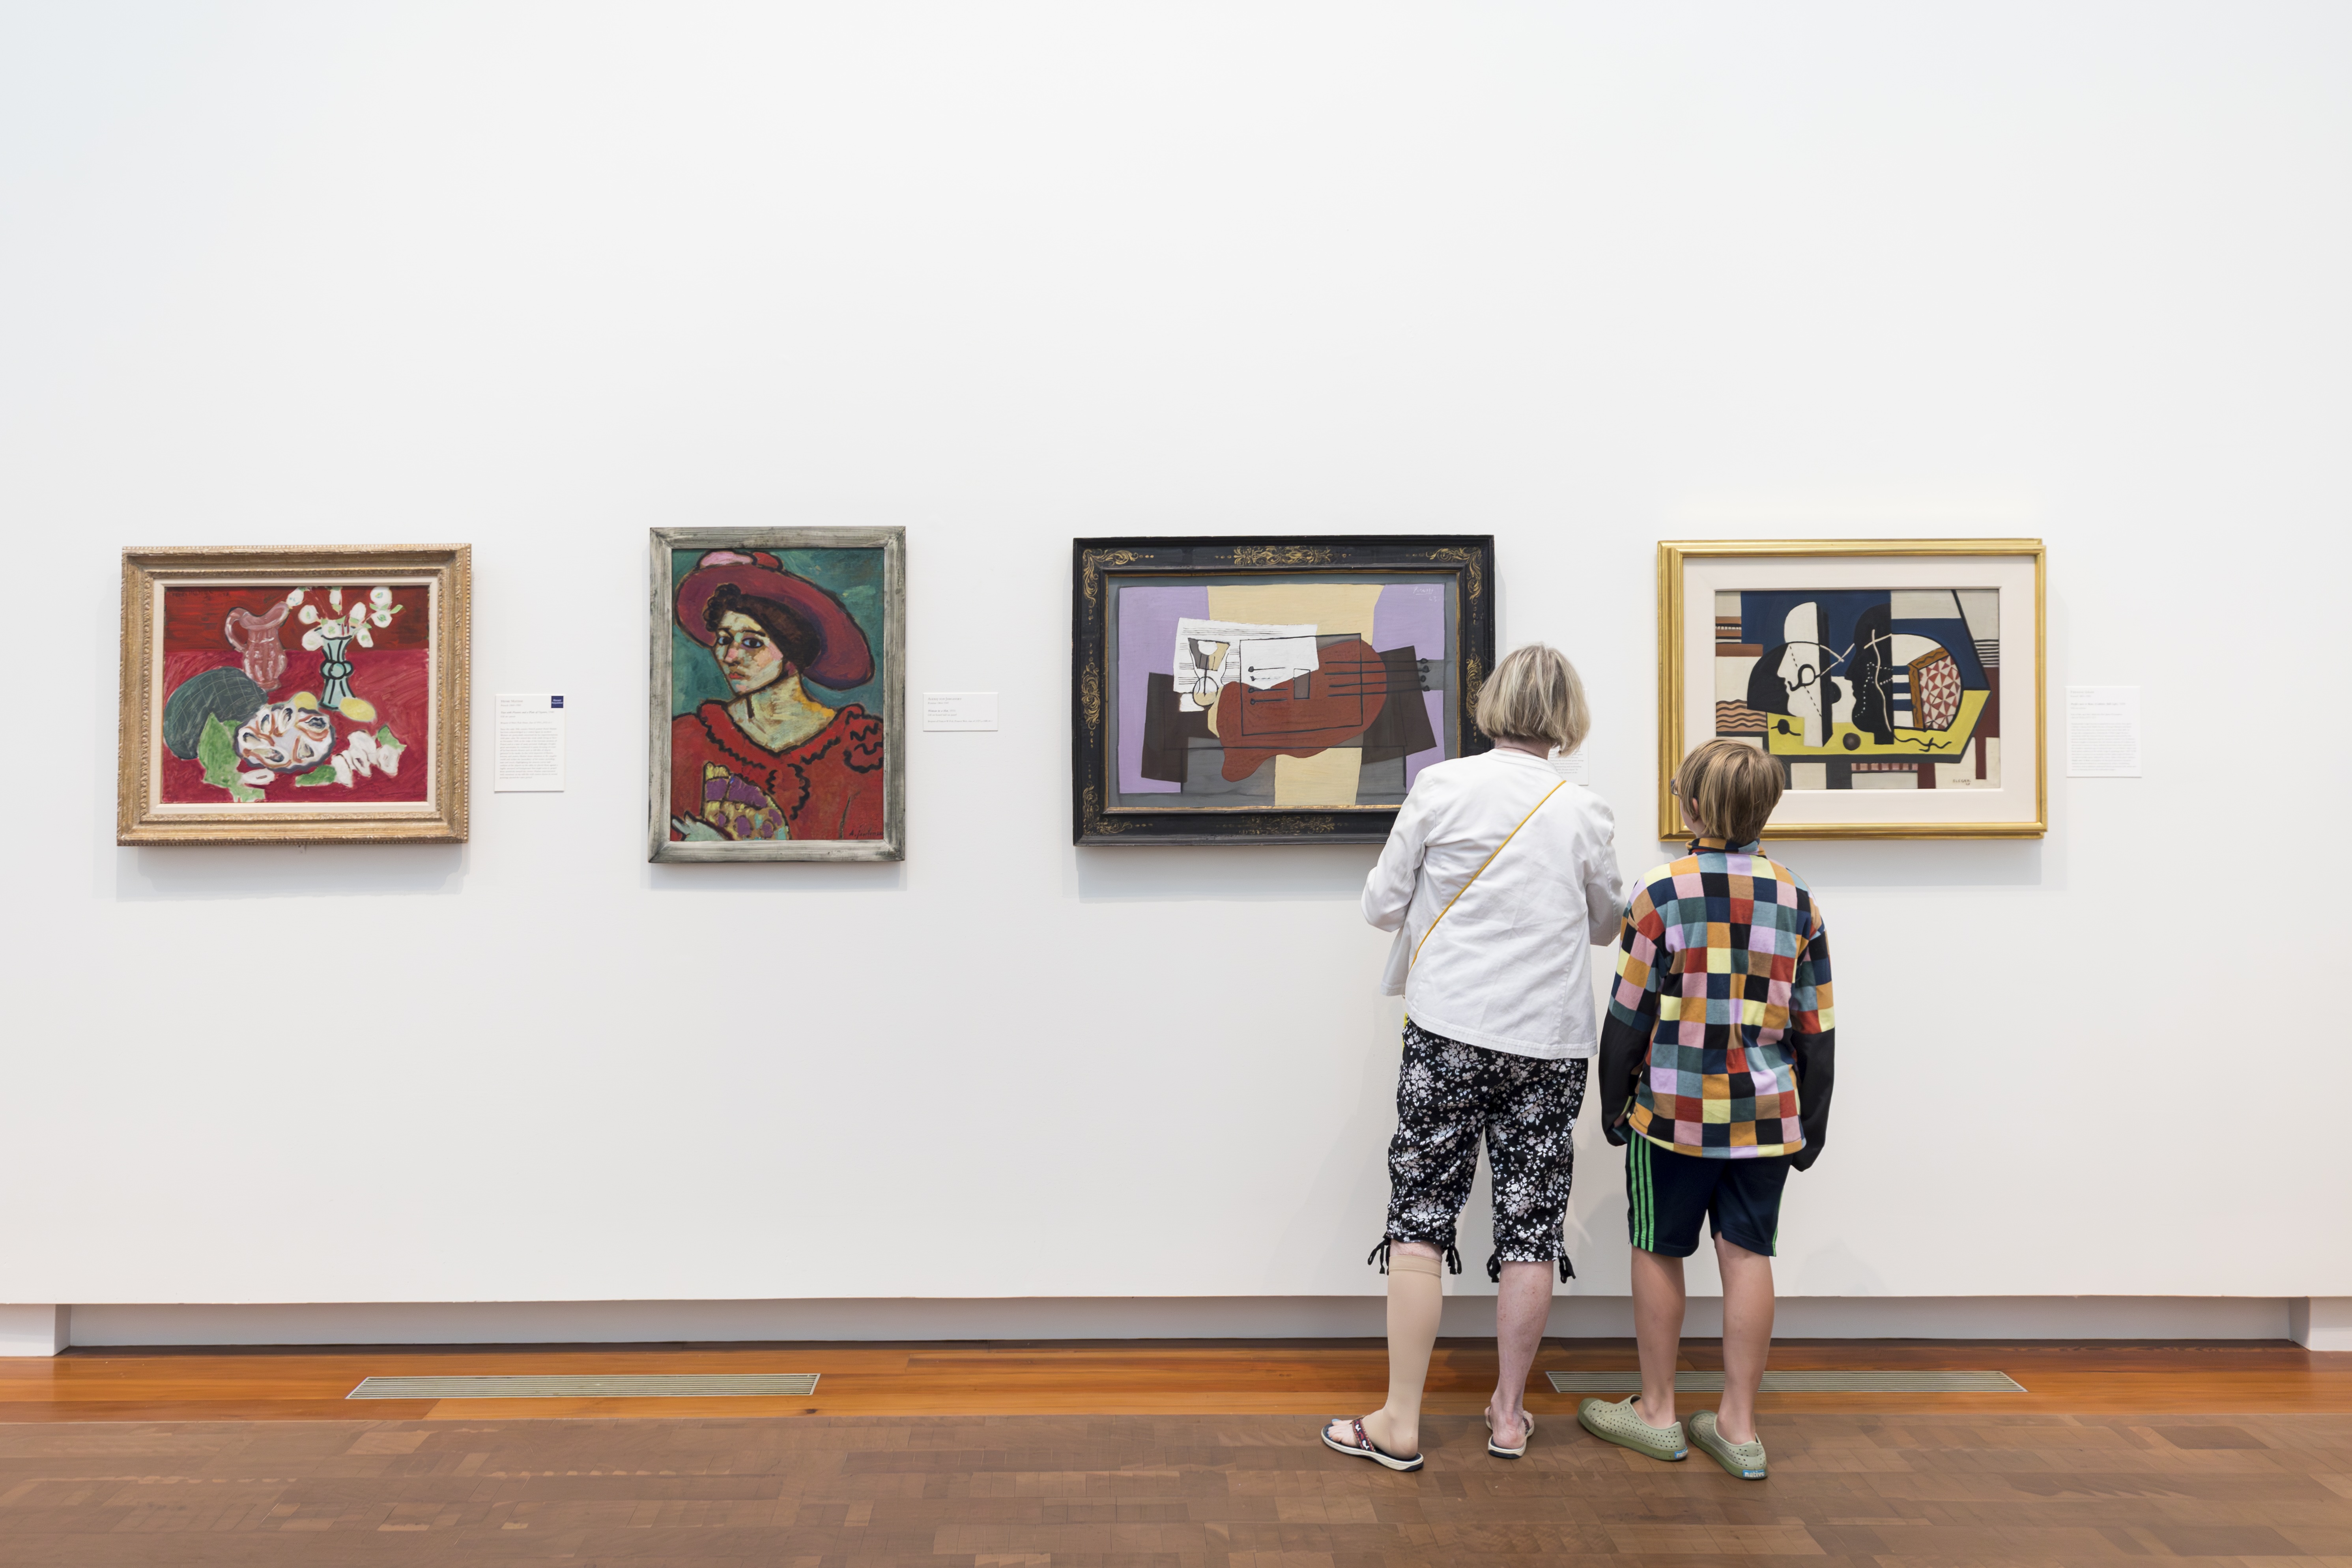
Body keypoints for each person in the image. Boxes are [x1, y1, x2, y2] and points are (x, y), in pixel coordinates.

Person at [1321, 644, 1623, 1473]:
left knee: (1421, 1213)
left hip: (1449, 1027)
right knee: (1530, 1225)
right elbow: (1606, 923)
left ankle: (1399, 1419)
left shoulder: (1441, 785)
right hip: (1548, 1042)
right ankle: (1507, 1413)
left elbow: (1379, 903)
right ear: (1567, 715)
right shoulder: (1582, 808)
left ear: (1492, 703)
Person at [1582, 737, 1836, 1480]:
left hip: (1672, 1113)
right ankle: (1738, 1425)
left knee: (1660, 1247)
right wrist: (1811, 1119)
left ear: (1692, 805)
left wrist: (1609, 1097)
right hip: (1766, 1115)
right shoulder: (1797, 899)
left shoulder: (1660, 894)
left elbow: (1627, 1015)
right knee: (1749, 1255)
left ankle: (1657, 1412)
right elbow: (1815, 1025)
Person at [668, 550, 886, 841]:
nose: (730, 656)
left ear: (793, 649)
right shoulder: (688, 739)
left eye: (752, 643)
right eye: (723, 639)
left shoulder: (861, 750)